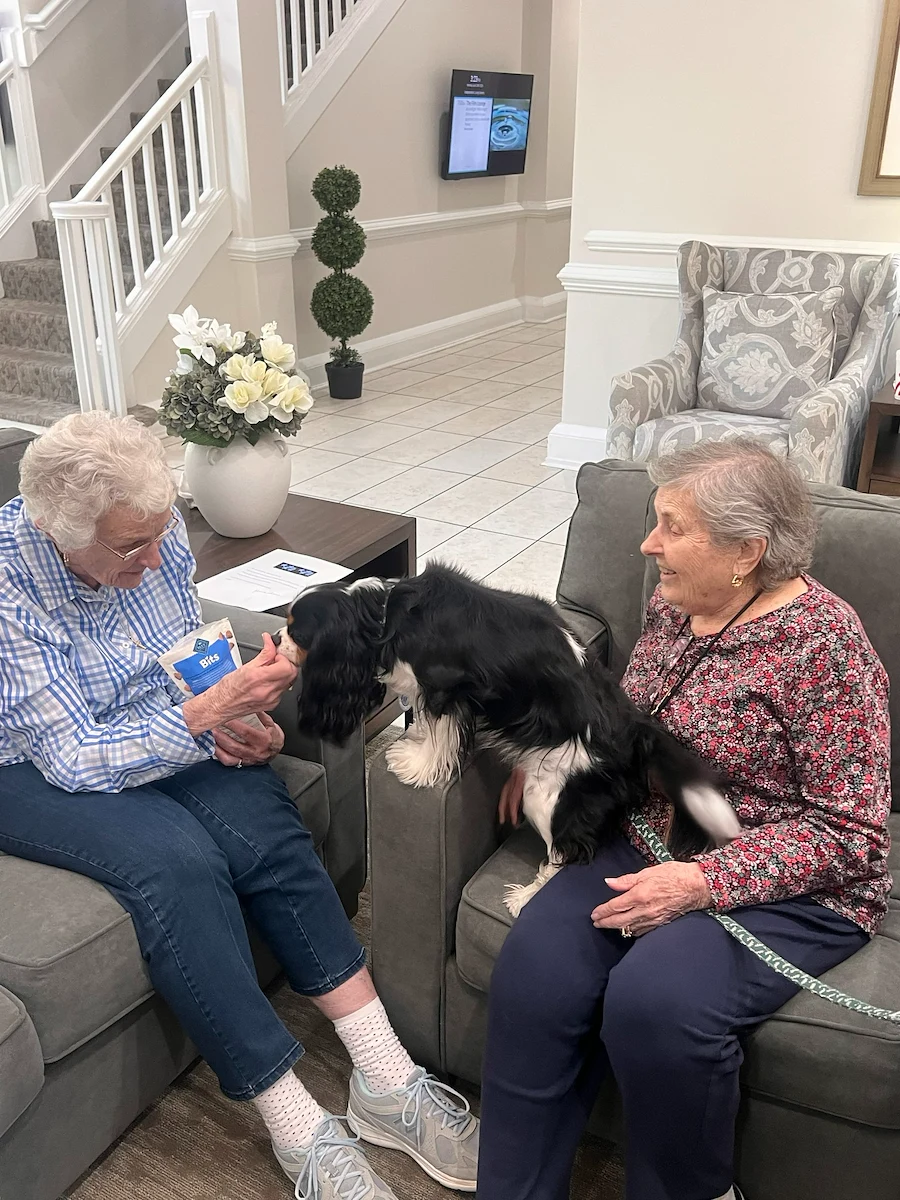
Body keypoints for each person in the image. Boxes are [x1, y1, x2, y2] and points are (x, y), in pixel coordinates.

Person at [0, 412, 478, 1199]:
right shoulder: (11, 587)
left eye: (162, 533)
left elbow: (177, 646)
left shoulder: (147, 533)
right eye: (132, 547)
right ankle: (298, 1128)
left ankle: (386, 1082)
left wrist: (234, 717)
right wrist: (204, 715)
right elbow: (77, 755)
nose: (157, 558)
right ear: (59, 531)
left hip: (143, 720)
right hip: (35, 764)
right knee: (176, 865)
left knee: (261, 820)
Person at [477, 437, 891, 1200]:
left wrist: (704, 881)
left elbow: (854, 833)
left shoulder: (825, 647)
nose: (648, 543)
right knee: (537, 972)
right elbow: (637, 724)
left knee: (657, 1004)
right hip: (648, 837)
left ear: (745, 551)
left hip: (791, 882)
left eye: (672, 526)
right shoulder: (677, 603)